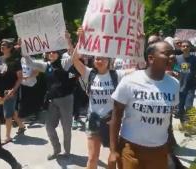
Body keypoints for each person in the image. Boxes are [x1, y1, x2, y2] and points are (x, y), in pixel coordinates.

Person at [108, 41, 180, 169]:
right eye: (167, 54)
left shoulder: (174, 84)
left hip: (159, 150)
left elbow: (167, 117)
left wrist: (169, 145)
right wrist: (113, 151)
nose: (172, 57)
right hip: (131, 149)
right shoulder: (130, 81)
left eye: (173, 53)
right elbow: (116, 116)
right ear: (151, 58)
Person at [72, 28, 133, 169]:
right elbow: (74, 59)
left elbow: (139, 68)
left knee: (113, 157)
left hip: (111, 123)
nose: (99, 60)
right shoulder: (89, 74)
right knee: (92, 158)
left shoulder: (117, 74)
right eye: (97, 58)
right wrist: (80, 40)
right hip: (93, 121)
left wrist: (139, 44)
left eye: (102, 58)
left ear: (108, 60)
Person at [0, 39, 25, 144]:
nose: (2, 46)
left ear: (9, 48)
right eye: (1, 44)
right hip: (0, 90)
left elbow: (20, 78)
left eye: (4, 45)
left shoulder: (15, 61)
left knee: (7, 114)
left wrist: (13, 90)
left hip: (10, 91)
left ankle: (7, 137)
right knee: (12, 111)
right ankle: (21, 126)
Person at [175, 40, 196, 123]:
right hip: (179, 86)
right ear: (181, 47)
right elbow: (175, 70)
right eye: (183, 46)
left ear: (190, 47)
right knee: (180, 107)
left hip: (191, 86)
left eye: (187, 46)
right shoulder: (177, 58)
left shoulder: (194, 59)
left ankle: (187, 125)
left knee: (188, 106)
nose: (185, 47)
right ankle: (182, 123)